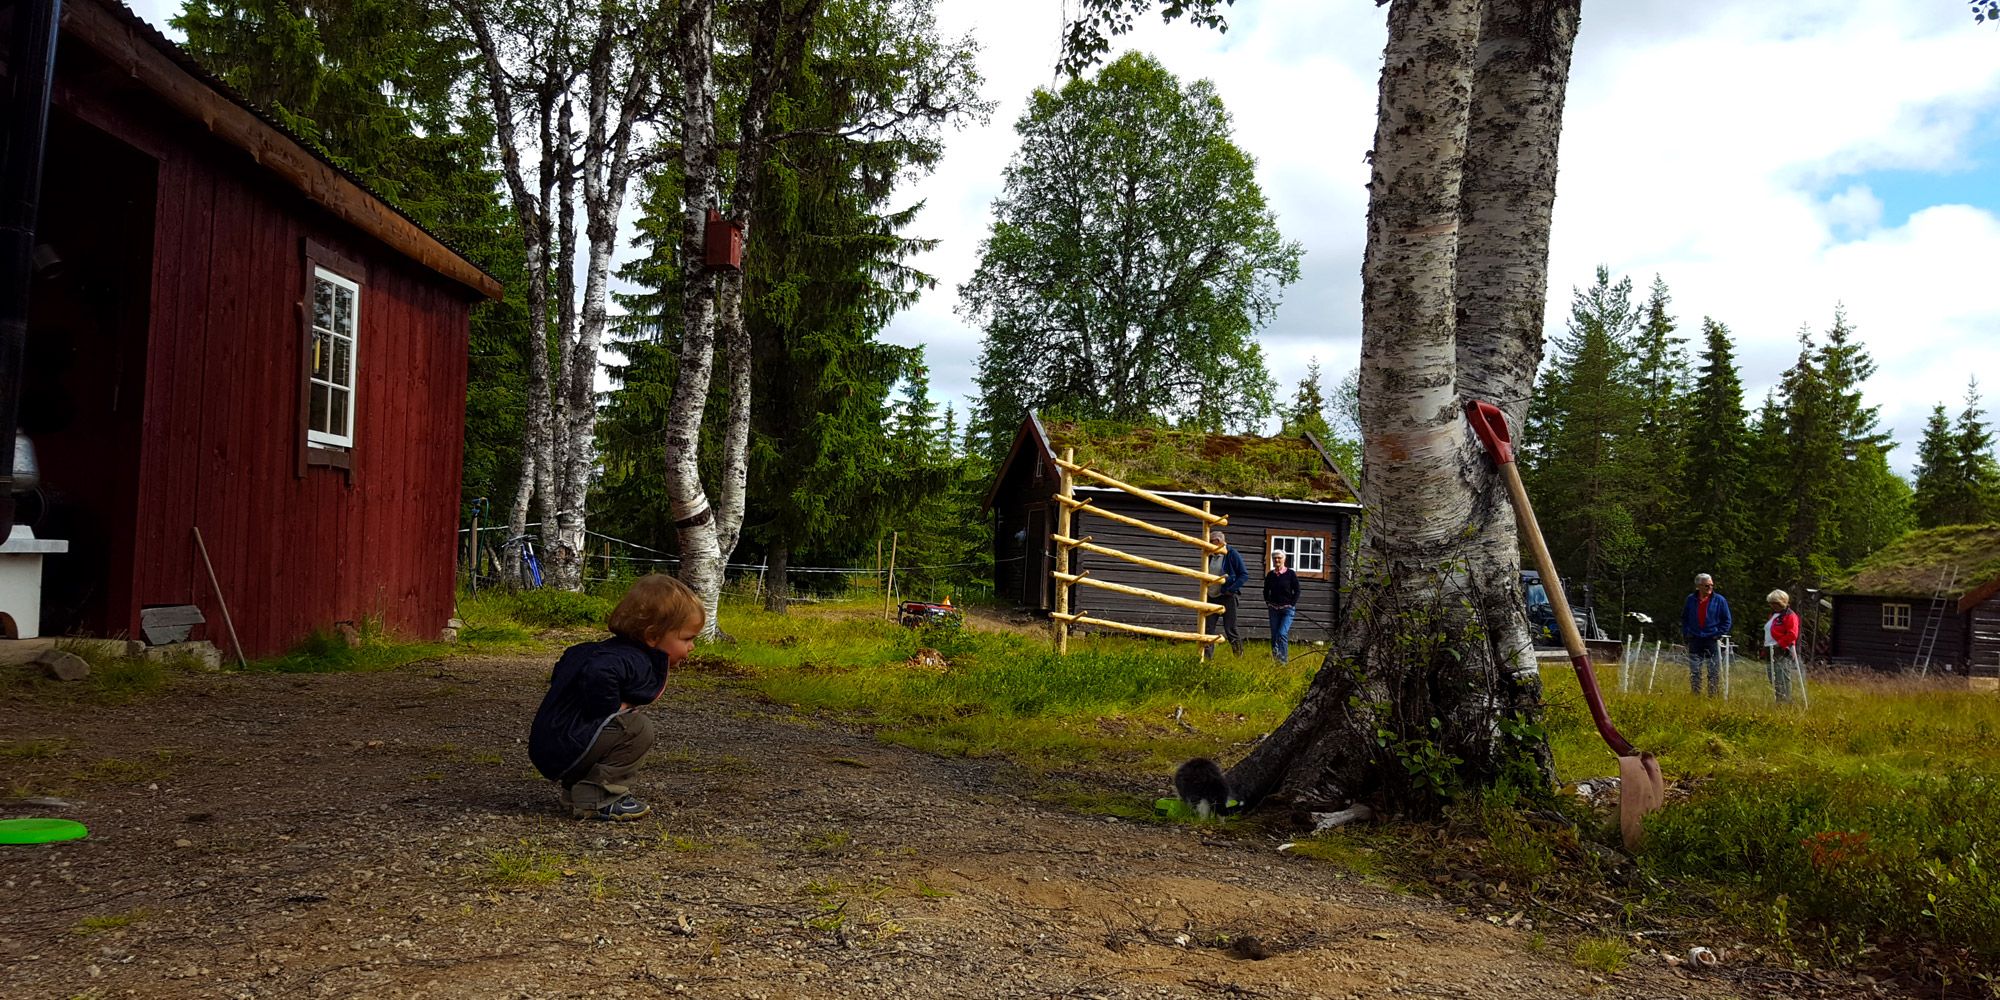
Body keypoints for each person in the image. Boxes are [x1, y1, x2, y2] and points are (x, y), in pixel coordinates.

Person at [528, 574, 704, 821]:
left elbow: (570, 659)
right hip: (567, 745)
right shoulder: (633, 659)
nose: (692, 647)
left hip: (553, 744)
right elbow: (600, 672)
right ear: (653, 636)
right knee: (636, 728)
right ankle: (599, 797)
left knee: (619, 724)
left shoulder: (611, 650)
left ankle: (576, 790)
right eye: (687, 638)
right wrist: (608, 708)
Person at [1681, 573, 1732, 697]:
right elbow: (1685, 618)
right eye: (1706, 585)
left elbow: (1727, 620)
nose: (1710, 588)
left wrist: (1718, 634)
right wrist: (1687, 633)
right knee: (1695, 670)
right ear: (1699, 586)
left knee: (1713, 670)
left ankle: (1713, 696)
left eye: (1711, 585)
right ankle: (1695, 694)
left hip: (1712, 639)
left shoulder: (1719, 600)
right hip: (1695, 638)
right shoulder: (1691, 599)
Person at [1203, 530, 1248, 659]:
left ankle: (1239, 656)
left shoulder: (1231, 554)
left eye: (1212, 543)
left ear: (1219, 542)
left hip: (1227, 597)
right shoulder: (1210, 555)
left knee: (1230, 629)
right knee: (1208, 629)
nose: (1210, 546)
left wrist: (1231, 589)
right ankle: (1207, 659)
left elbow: (1243, 575)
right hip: (1212, 596)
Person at [1263, 549, 1300, 664]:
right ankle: (1276, 660)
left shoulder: (1290, 574)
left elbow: (1297, 591)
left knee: (1282, 633)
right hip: (1274, 609)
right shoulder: (1270, 575)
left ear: (1284, 559)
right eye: (1275, 558)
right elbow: (1265, 591)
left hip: (1287, 610)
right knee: (1274, 636)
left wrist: (1291, 604)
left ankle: (1283, 661)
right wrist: (1268, 603)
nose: (1277, 560)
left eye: (1279, 557)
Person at [1763, 589, 1800, 704]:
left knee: (1782, 678)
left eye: (1775, 603)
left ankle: (1785, 702)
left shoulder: (1790, 616)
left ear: (1782, 602)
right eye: (1771, 603)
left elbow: (1792, 634)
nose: (1773, 605)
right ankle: (1779, 700)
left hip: (1781, 650)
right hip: (1769, 649)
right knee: (1772, 678)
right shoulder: (1773, 615)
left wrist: (1779, 644)